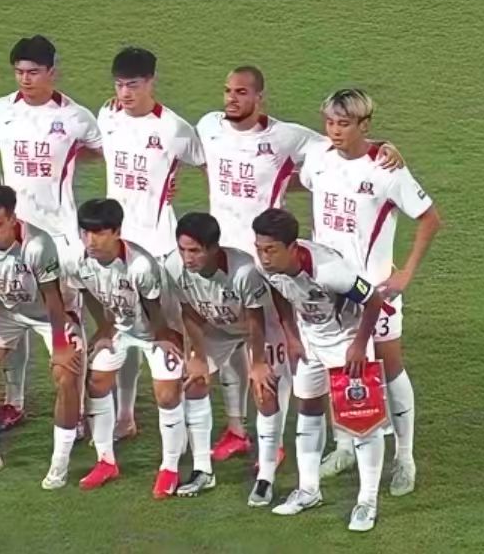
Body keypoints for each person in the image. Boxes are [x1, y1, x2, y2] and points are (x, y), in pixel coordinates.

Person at [197, 66, 403, 462]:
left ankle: (280, 443)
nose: (231, 98)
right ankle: (238, 429)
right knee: (234, 342)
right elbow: (191, 156)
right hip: (222, 260)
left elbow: (343, 144)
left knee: (282, 352)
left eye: (241, 92)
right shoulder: (208, 126)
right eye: (227, 91)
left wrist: (382, 146)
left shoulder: (287, 137)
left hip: (270, 261)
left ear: (260, 97)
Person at [299, 89, 441, 495]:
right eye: (330, 122)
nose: (334, 130)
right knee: (337, 367)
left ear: (365, 125)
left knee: (390, 368)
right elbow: (301, 181)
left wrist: (406, 273)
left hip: (375, 290)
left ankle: (405, 459)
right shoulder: (318, 157)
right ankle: (345, 446)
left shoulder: (386, 168)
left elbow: (430, 218)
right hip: (327, 291)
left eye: (344, 124)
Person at [0, 35, 101, 430]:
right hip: (10, 236)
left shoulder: (76, 116)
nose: (25, 79)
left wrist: (71, 157)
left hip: (60, 238)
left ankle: (77, 413)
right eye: (19, 72)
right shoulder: (1, 110)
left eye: (33, 72)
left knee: (67, 319)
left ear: (52, 72)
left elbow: (103, 151)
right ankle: (13, 401)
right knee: (13, 310)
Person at [252, 208, 386, 532]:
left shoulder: (330, 271)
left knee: (361, 420)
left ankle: (367, 502)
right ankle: (309, 490)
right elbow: (279, 292)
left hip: (347, 342)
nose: (264, 257)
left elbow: (373, 300)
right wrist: (291, 335)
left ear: (292, 247)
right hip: (310, 341)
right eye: (259, 248)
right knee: (308, 408)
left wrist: (359, 345)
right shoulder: (266, 266)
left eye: (270, 250)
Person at [98, 47, 205, 440]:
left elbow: (209, 162)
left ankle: (185, 417)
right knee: (125, 328)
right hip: (117, 247)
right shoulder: (106, 115)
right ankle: (125, 416)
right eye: (119, 85)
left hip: (160, 247)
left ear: (150, 82)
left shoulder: (175, 129)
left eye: (133, 84)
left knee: (171, 332)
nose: (125, 93)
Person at [0, 185, 84, 487]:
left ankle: (60, 463)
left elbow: (53, 299)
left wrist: (60, 345)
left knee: (65, 375)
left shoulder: (37, 245)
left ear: (14, 220)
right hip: (9, 310)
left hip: (52, 315)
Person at [65, 199, 186, 498]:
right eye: (85, 232)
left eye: (98, 233)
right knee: (97, 381)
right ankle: (105, 461)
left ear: (117, 232)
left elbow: (154, 305)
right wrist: (104, 326)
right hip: (123, 325)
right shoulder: (77, 260)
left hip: (158, 328)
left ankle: (170, 467)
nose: (90, 240)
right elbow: (86, 292)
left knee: (167, 394)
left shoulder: (140, 265)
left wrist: (162, 336)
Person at [162, 213, 280, 500]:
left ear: (214, 248)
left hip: (263, 329)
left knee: (265, 392)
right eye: (183, 249)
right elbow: (188, 311)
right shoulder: (173, 266)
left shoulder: (243, 271)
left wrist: (258, 363)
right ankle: (202, 470)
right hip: (218, 326)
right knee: (194, 382)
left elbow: (256, 320)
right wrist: (198, 356)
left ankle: (266, 477)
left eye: (195, 251)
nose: (187, 258)